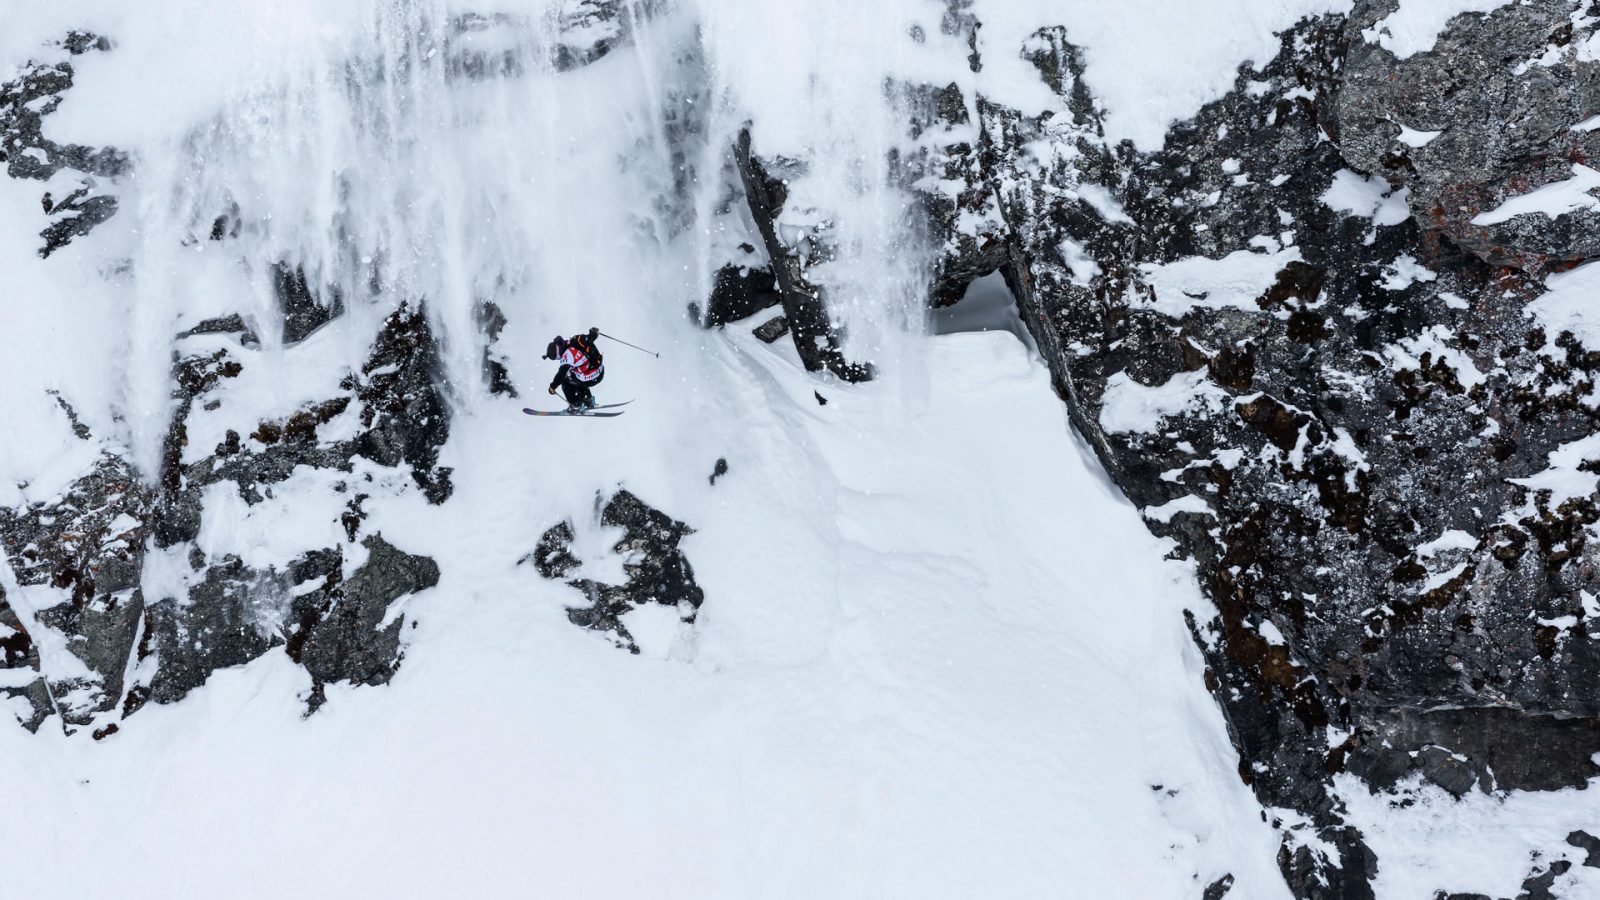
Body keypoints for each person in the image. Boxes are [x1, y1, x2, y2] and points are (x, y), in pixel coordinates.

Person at [545, 327, 604, 412]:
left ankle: (576, 405)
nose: (559, 358)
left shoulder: (567, 354)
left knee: (565, 381)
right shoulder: (573, 342)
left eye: (556, 357)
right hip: (599, 371)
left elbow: (561, 373)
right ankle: (587, 400)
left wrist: (552, 386)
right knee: (573, 375)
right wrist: (593, 334)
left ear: (557, 352)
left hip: (593, 375)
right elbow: (588, 339)